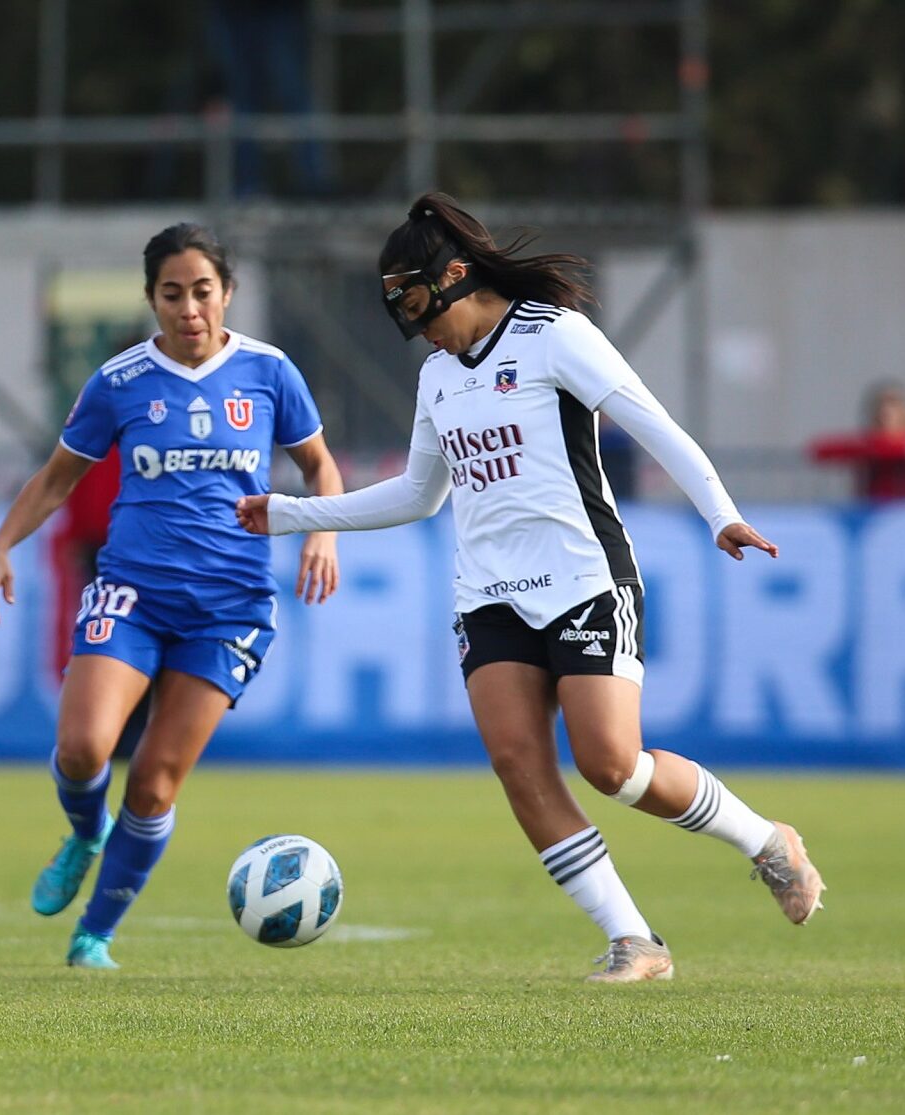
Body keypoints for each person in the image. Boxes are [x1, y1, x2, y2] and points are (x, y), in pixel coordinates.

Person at [236, 193, 825, 984]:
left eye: (418, 307)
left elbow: (655, 426)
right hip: (488, 594)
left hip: (584, 577)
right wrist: (289, 515)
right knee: (519, 764)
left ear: (454, 275)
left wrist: (721, 513)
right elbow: (418, 495)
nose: (418, 330)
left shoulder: (556, 336)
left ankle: (765, 840)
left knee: (612, 766)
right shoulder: (439, 378)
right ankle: (635, 940)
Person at [0, 223, 343, 969]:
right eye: (171, 294)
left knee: (155, 782)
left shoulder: (270, 374)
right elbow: (56, 480)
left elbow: (320, 467)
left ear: (227, 292)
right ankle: (84, 832)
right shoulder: (120, 382)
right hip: (133, 593)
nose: (189, 308)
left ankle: (95, 936)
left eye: (202, 290)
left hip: (230, 608)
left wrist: (322, 532)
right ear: (151, 299)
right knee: (83, 748)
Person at [808, 381, 905, 500]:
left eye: (893, 403)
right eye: (880, 405)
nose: (885, 410)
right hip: (874, 515)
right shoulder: (867, 445)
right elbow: (819, 450)